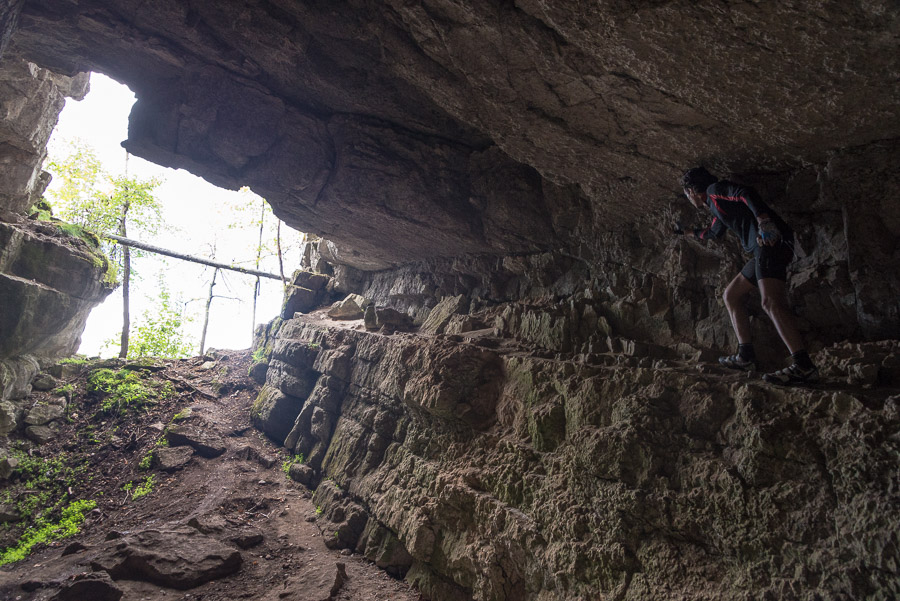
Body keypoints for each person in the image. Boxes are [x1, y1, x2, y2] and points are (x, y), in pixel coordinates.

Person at [678, 167, 819, 385]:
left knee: (770, 302)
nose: (688, 198)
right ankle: (746, 356)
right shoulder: (715, 208)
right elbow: (715, 232)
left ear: (692, 190)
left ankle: (804, 366)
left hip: (770, 243)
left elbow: (744, 193)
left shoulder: (715, 190)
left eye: (687, 193)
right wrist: (688, 233)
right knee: (731, 295)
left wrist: (763, 220)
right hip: (761, 250)